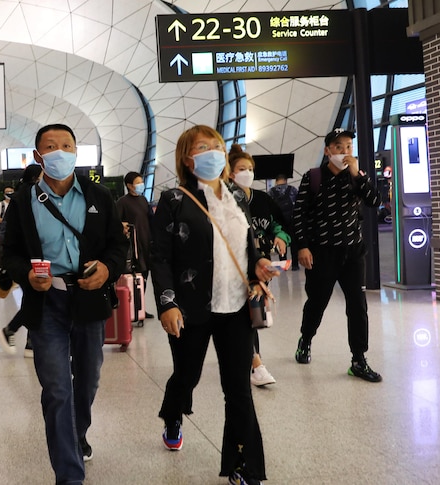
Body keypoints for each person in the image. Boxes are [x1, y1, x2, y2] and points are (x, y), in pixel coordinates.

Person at [150, 125, 278, 485]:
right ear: (187, 159)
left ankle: (243, 466)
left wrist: (258, 266)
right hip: (190, 309)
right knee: (187, 375)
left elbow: (248, 243)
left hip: (236, 305)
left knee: (237, 388)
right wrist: (167, 304)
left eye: (217, 146)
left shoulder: (237, 196)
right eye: (202, 147)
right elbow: (159, 257)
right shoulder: (173, 200)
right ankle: (173, 413)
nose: (212, 152)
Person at [2, 123, 127, 484]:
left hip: (88, 299)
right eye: (51, 146)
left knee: (87, 381)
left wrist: (107, 268)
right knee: (57, 389)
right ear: (39, 156)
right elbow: (9, 253)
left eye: (67, 145)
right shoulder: (24, 200)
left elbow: (117, 246)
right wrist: (27, 274)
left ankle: (77, 434)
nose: (60, 151)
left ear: (76, 151)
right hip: (47, 303)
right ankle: (69, 475)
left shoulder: (98, 196)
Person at [292, 128, 383, 382]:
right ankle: (306, 339)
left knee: (357, 305)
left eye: (349, 147)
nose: (345, 152)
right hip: (322, 253)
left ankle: (358, 359)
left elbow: (375, 201)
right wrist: (302, 246)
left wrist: (358, 175)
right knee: (317, 302)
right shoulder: (314, 177)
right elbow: (299, 214)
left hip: (352, 252)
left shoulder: (357, 177)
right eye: (339, 147)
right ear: (327, 150)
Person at [228, 144, 291, 388]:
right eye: (241, 168)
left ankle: (251, 360)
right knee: (247, 313)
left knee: (252, 314)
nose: (247, 172)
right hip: (235, 266)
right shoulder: (227, 200)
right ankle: (256, 364)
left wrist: (280, 238)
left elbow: (280, 225)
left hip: (260, 264)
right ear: (231, 173)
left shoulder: (263, 199)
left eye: (250, 168)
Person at [0, 165, 42, 358]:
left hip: (23, 258)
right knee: (36, 299)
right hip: (28, 258)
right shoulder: (27, 197)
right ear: (34, 178)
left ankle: (30, 342)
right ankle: (11, 332)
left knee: (34, 298)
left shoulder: (26, 195)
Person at [115, 170, 154, 319]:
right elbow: (116, 222)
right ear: (129, 186)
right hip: (133, 246)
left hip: (146, 243)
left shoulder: (144, 200)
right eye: (137, 183)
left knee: (144, 276)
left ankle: (140, 308)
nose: (141, 185)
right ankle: (129, 308)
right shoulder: (122, 202)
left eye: (141, 182)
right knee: (133, 275)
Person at [267, 174, 299, 270]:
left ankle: (283, 263)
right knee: (294, 243)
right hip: (292, 220)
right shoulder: (293, 189)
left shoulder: (271, 192)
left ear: (276, 181)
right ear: (286, 180)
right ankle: (295, 265)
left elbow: (269, 207)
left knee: (281, 241)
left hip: (279, 222)